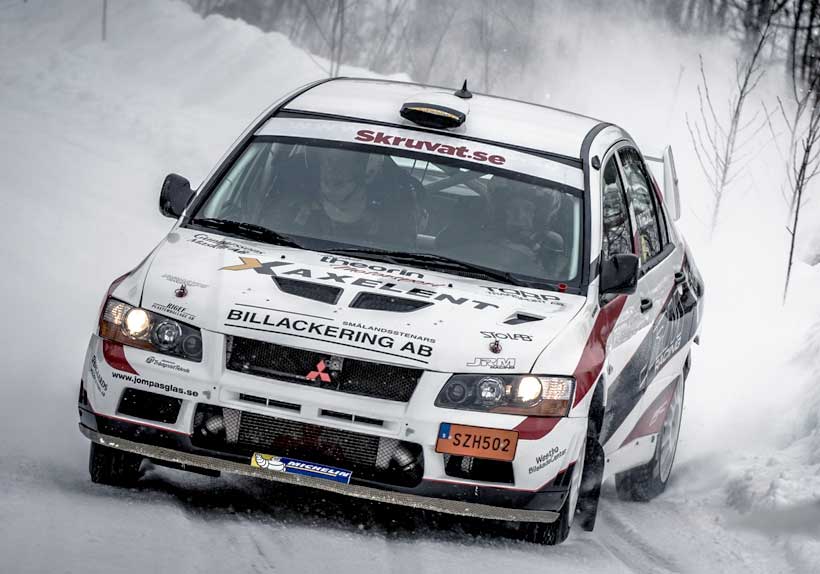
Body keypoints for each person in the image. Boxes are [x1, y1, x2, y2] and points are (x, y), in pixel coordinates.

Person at [267, 145, 419, 248]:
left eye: (337, 183)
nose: (331, 170)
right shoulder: (291, 181)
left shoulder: (291, 210)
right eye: (330, 182)